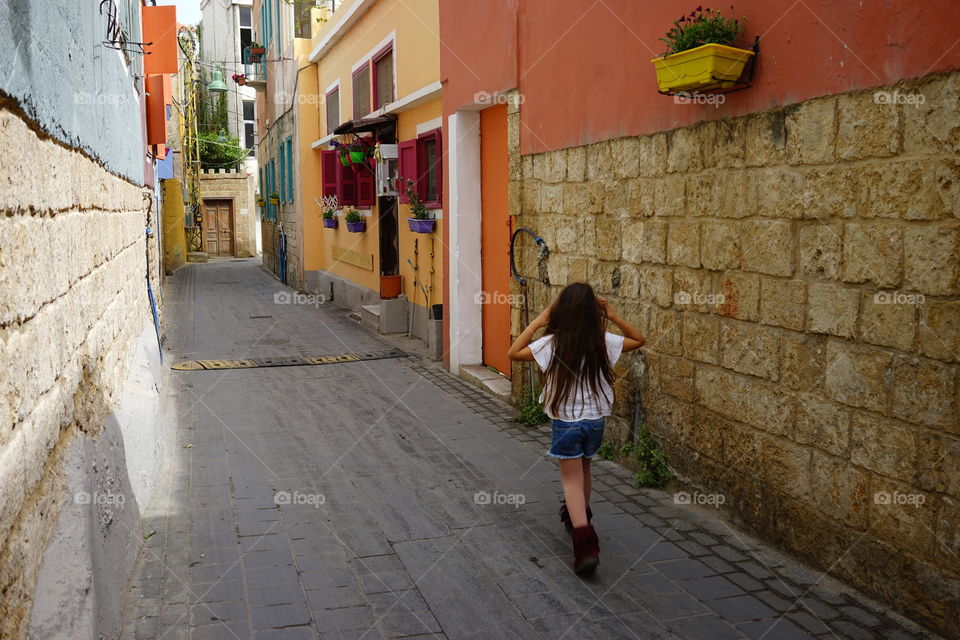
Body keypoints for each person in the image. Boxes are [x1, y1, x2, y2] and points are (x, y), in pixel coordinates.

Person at [508, 282, 645, 574]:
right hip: (595, 420)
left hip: (567, 421)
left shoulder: (551, 342)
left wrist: (538, 321)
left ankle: (585, 543)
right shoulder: (602, 340)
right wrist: (613, 316)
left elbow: (513, 352)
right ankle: (576, 516)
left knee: (570, 480)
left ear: (561, 311)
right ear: (592, 312)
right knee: (585, 469)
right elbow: (638, 339)